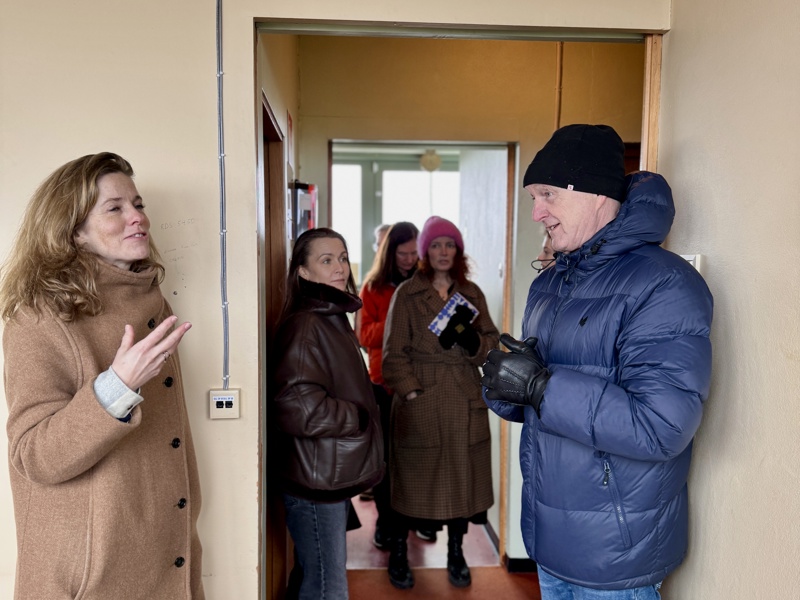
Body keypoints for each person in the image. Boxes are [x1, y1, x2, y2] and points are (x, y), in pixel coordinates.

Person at [482, 124, 713, 598]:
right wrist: (505, 384)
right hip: (549, 539)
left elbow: (660, 426)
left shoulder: (664, 285)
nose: (536, 213)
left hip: (615, 552)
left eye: (546, 194)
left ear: (595, 194)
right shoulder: (550, 283)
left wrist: (541, 388)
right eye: (532, 198)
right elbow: (537, 398)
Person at [0, 152, 203, 599]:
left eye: (139, 204)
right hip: (91, 574)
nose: (139, 218)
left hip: (166, 552)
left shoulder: (152, 301)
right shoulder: (38, 316)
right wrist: (117, 388)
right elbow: (33, 455)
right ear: (73, 230)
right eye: (115, 208)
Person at [382, 216, 499, 590]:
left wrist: (475, 346)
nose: (443, 252)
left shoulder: (473, 293)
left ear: (458, 250)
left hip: (464, 394)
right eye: (435, 245)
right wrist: (412, 392)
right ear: (424, 252)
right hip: (423, 400)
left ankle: (456, 553)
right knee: (411, 482)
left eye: (449, 244)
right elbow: (392, 355)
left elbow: (492, 344)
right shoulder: (407, 294)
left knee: (461, 482)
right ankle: (398, 552)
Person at [271, 227, 384, 600]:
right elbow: (297, 408)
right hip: (315, 481)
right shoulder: (308, 324)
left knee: (318, 577)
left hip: (323, 474)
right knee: (327, 588)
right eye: (326, 260)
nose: (339, 267)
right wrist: (357, 417)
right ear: (303, 272)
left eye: (342, 257)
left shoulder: (331, 313)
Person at [357, 221, 419, 549]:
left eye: (414, 253)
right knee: (382, 462)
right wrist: (399, 320)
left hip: (420, 386)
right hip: (381, 385)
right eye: (403, 253)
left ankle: (411, 518)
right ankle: (385, 520)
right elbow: (364, 336)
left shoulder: (430, 283)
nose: (410, 259)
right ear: (389, 252)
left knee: (412, 459)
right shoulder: (373, 288)